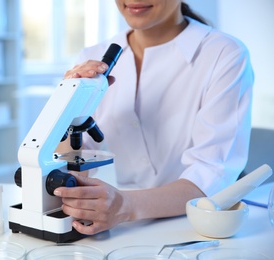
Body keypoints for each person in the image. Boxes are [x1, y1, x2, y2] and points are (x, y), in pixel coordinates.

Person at [54, 0, 254, 236]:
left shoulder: (224, 54)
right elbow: (70, 164)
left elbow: (211, 174)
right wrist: (66, 110)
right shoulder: (93, 56)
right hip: (116, 226)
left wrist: (126, 206)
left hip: (194, 227)